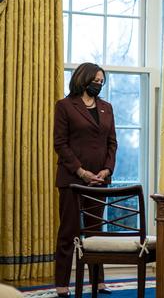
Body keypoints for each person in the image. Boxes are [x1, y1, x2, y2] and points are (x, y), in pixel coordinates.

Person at [53, 63, 117, 297]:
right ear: (84, 79)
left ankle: (98, 282)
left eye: (102, 82)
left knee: (95, 233)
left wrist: (107, 170)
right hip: (72, 179)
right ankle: (62, 284)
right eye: (96, 80)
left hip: (99, 181)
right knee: (68, 232)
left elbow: (112, 142)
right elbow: (60, 143)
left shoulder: (106, 107)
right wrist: (80, 171)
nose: (99, 84)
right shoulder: (65, 106)